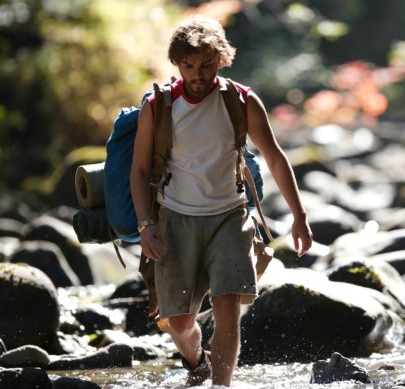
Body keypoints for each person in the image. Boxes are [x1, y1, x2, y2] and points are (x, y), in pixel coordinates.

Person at [130, 14, 313, 388]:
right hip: (174, 219)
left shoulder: (241, 101)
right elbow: (139, 170)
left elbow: (276, 157)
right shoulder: (158, 105)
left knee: (228, 305)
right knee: (180, 323)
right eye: (188, 65)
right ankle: (197, 360)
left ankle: (221, 385)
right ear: (177, 63)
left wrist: (299, 216)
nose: (197, 74)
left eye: (207, 65)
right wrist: (146, 225)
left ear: (221, 60)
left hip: (230, 216)